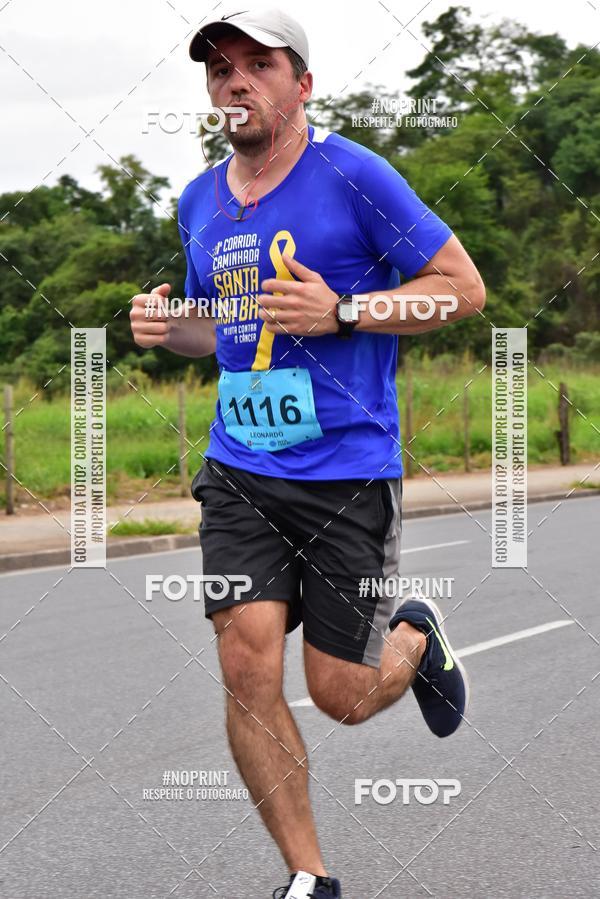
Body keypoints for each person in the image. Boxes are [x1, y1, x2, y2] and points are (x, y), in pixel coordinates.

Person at [130, 8, 486, 897]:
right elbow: (222, 334)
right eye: (219, 69)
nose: (235, 81)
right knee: (246, 660)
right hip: (242, 468)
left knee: (342, 695)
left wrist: (349, 310)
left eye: (258, 65)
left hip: (346, 474)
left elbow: (463, 288)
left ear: (302, 85)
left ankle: (415, 635)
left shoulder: (355, 176)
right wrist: (171, 326)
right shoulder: (201, 200)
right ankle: (309, 876)